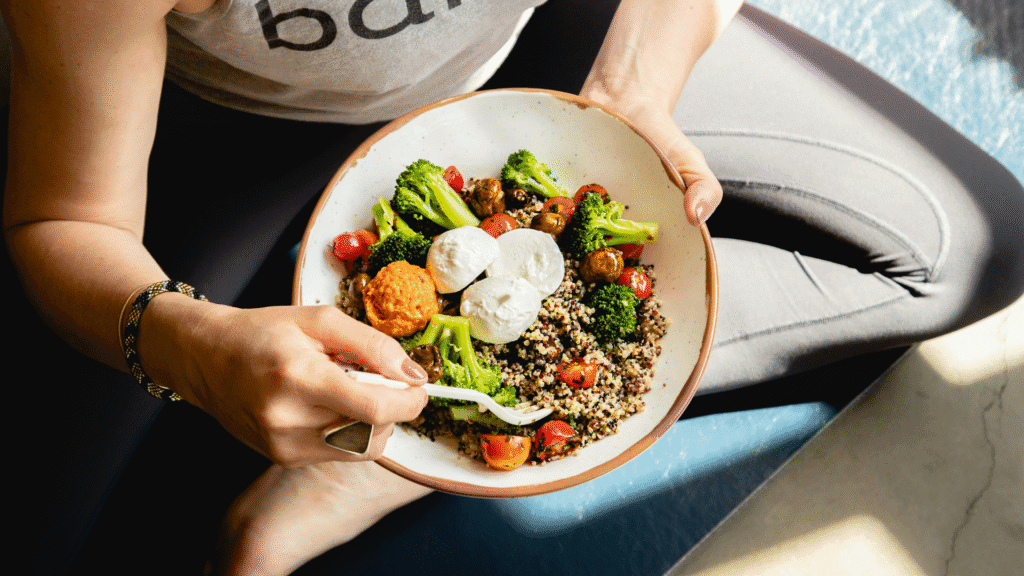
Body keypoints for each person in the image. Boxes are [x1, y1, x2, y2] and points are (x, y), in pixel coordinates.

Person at [4, 1, 1022, 575]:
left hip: (560, 37)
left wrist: (633, 93)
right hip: (247, 132)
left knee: (968, 248)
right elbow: (68, 221)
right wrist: (186, 344)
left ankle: (376, 460)